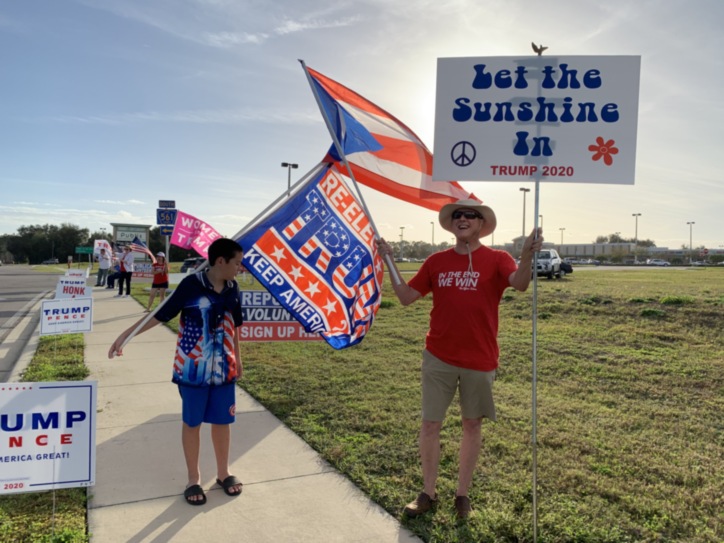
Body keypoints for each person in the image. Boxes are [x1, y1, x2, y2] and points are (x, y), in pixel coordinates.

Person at [375, 199, 543, 520]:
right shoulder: (436, 261)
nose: (462, 219)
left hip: (480, 358)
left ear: (481, 224)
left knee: (471, 424)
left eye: (470, 215)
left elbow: (520, 285)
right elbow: (407, 298)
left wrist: (525, 258)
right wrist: (390, 261)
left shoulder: (497, 258)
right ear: (451, 224)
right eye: (457, 215)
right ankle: (427, 493)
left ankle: (462, 495)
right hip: (438, 356)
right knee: (429, 424)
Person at [108, 238, 245, 506]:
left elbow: (235, 325)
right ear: (220, 261)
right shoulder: (191, 285)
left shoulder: (233, 288)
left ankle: (223, 473)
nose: (240, 268)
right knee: (192, 423)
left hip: (224, 369)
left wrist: (238, 359)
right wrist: (127, 335)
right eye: (237, 263)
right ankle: (193, 478)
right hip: (193, 370)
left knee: (222, 422)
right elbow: (160, 314)